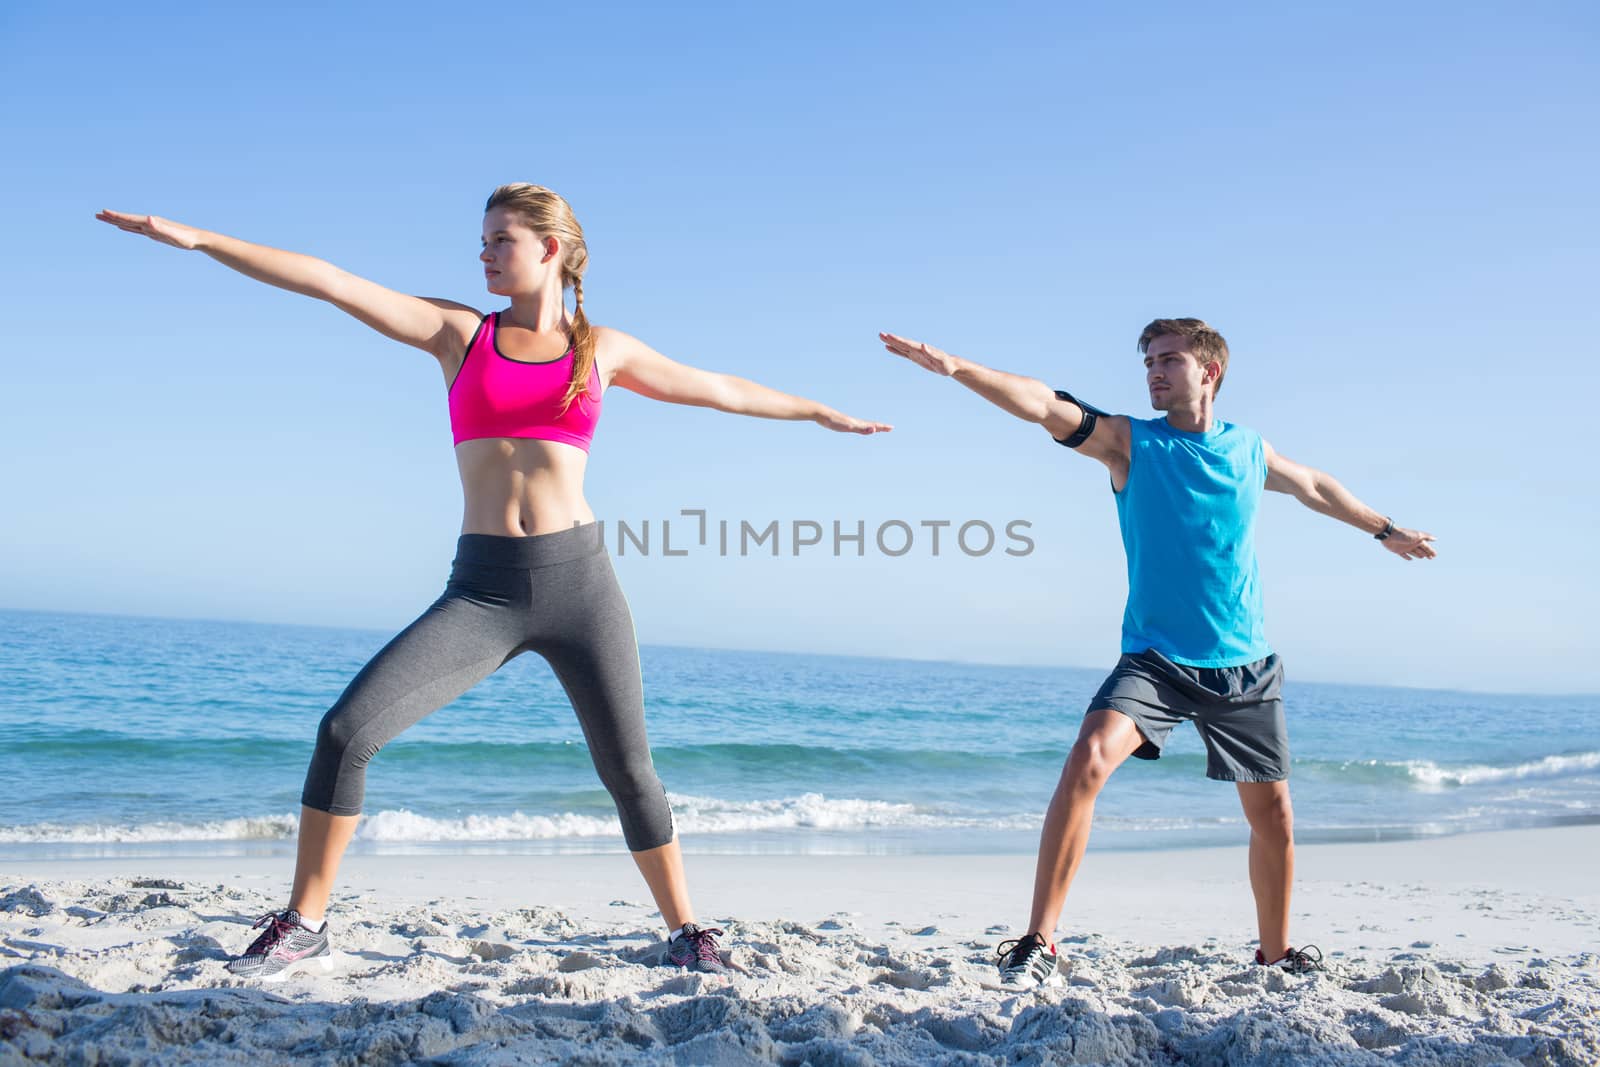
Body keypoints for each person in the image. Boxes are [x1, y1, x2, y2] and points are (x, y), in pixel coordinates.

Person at [96, 184, 890, 981]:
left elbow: (718, 388)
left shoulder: (599, 350)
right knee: (345, 732)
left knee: (628, 770)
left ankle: (687, 930)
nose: (482, 253)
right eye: (481, 239)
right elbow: (329, 280)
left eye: (499, 239)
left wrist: (818, 412)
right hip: (483, 591)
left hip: (580, 584)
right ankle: (306, 921)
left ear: (550, 249)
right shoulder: (459, 335)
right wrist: (200, 239)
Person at [879, 318, 1436, 988]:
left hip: (1245, 664)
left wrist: (1386, 530)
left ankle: (1277, 954)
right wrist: (958, 368)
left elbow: (1316, 486)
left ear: (1211, 372)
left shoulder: (1248, 449)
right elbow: (1046, 404)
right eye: (1149, 362)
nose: (1155, 372)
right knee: (1087, 759)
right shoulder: (1131, 444)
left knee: (1276, 817)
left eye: (1170, 360)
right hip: (1156, 660)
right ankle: (1039, 939)